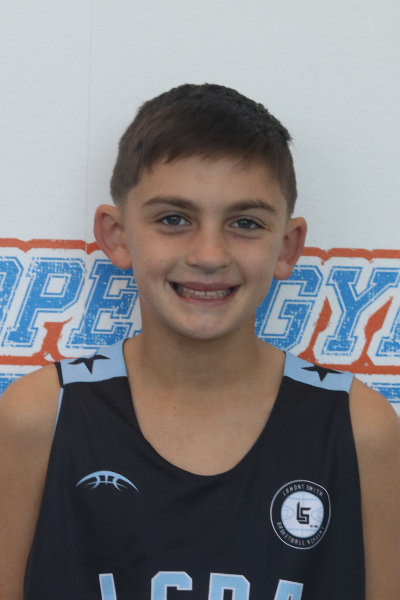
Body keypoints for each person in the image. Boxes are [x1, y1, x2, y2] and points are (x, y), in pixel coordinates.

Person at [0, 84, 399, 600]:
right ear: (117, 235)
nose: (209, 254)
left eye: (245, 223)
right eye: (174, 219)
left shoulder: (360, 428)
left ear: (287, 246)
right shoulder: (39, 417)